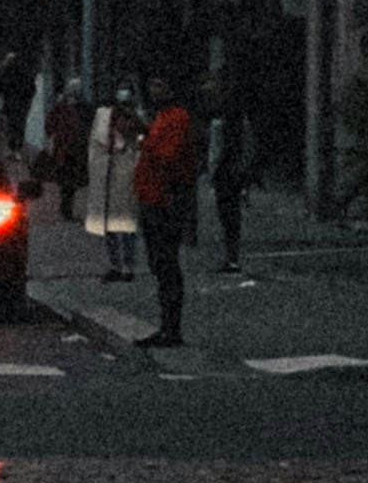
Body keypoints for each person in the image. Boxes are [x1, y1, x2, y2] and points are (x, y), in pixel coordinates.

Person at [133, 73, 201, 349]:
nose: (154, 90)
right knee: (160, 265)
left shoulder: (176, 118)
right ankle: (167, 327)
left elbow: (168, 157)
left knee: (166, 264)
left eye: (159, 84)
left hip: (164, 200)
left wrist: (146, 143)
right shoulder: (164, 117)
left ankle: (171, 328)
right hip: (154, 197)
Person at [88, 87, 143, 281]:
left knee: (125, 222)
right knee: (110, 223)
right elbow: (98, 145)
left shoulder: (135, 120)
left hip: (125, 174)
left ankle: (127, 266)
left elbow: (138, 146)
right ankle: (116, 264)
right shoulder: (104, 120)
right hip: (109, 174)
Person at [207, 76, 253, 275]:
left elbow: (215, 153)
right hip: (237, 171)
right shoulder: (242, 120)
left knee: (226, 216)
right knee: (233, 217)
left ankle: (231, 258)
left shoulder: (219, 122)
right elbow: (249, 147)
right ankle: (233, 257)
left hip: (224, 173)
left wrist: (211, 173)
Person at [44, 78, 90, 220]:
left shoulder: (66, 106)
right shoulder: (72, 106)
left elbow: (50, 125)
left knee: (68, 180)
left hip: (71, 148)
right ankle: (66, 209)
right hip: (71, 148)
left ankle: (66, 208)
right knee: (68, 180)